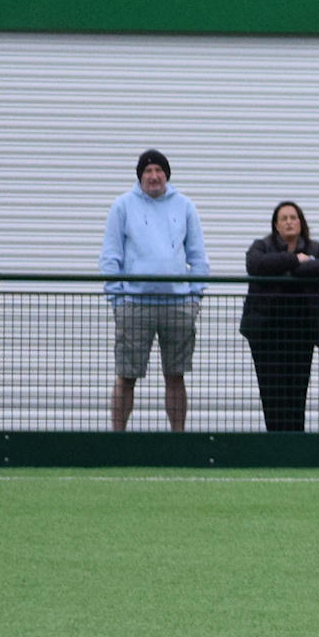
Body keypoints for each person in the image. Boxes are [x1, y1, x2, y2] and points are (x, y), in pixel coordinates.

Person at [99, 148, 209, 432]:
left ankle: (178, 438)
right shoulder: (122, 206)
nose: (154, 176)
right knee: (126, 376)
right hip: (135, 305)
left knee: (176, 375)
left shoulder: (184, 205)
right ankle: (118, 439)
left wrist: (193, 298)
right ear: (140, 177)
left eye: (159, 170)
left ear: (166, 175)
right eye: (148, 171)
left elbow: (198, 258)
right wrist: (118, 301)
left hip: (177, 305)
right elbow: (111, 257)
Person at [238, 200, 319, 432]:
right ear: (275, 224)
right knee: (272, 391)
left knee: (297, 391)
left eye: (293, 217)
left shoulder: (316, 248)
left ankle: (296, 442)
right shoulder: (262, 245)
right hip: (266, 334)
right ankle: (275, 443)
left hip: (302, 333)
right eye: (283, 218)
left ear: (301, 222)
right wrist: (295, 260)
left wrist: (293, 269)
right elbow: (255, 264)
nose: (289, 222)